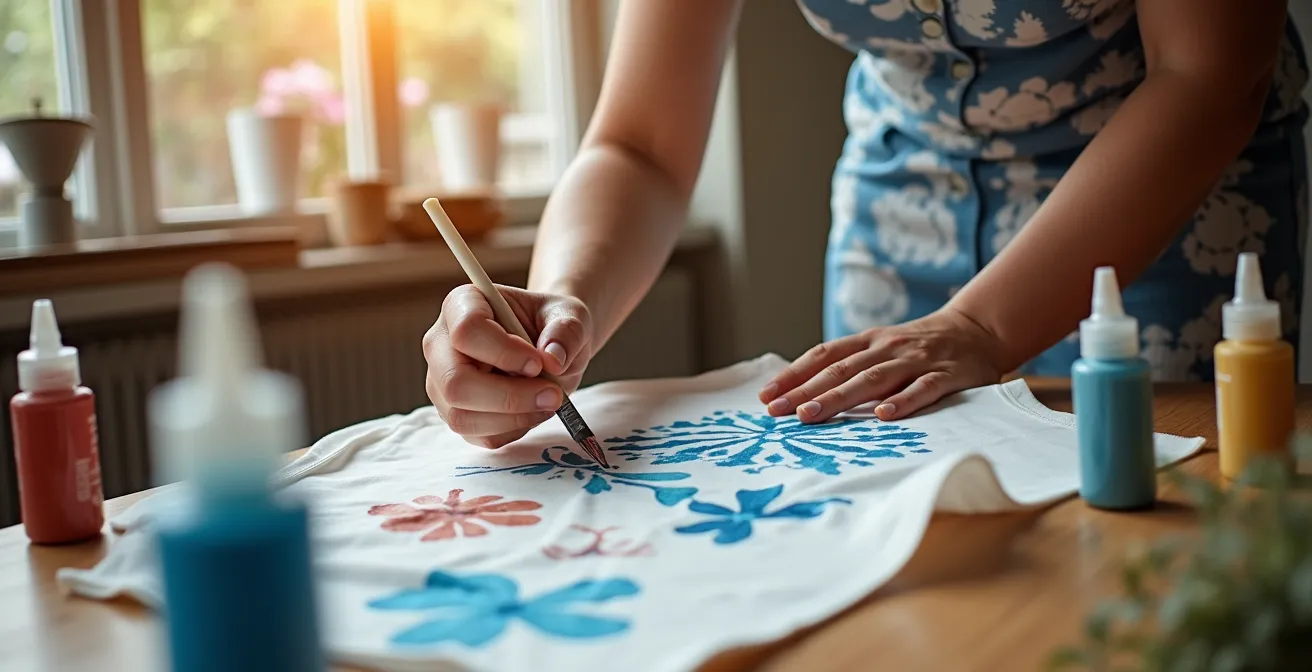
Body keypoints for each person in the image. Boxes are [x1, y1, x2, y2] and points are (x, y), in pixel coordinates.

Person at [423, 0, 1310, 449]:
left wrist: (975, 325)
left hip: (1155, 196)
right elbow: (640, 144)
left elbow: (1207, 70)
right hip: (901, 202)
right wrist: (560, 303)